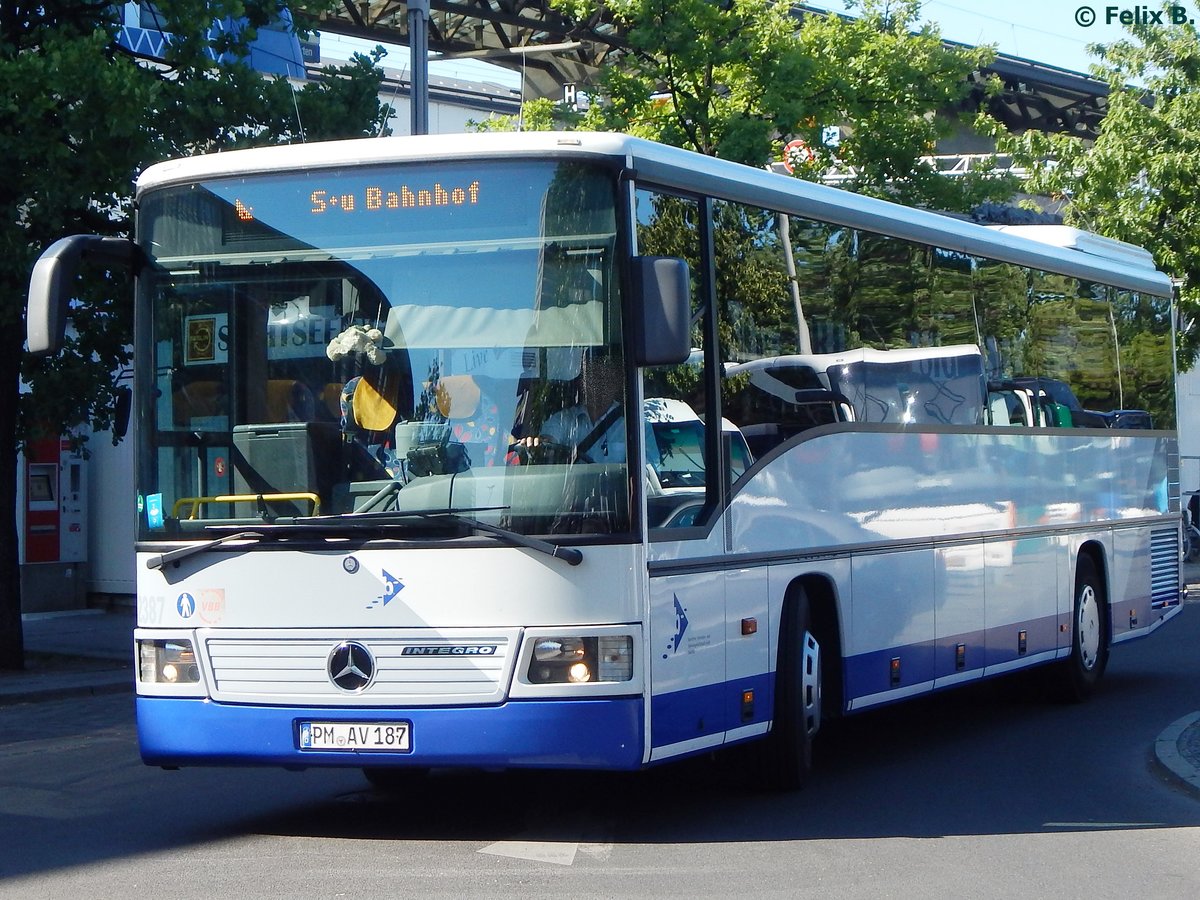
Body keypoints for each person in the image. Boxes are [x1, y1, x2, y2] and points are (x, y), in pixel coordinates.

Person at [519, 353, 627, 462]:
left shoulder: (629, 423)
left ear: (616, 384)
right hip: (570, 479)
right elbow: (548, 441)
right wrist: (538, 445)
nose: (598, 385)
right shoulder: (565, 420)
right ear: (583, 383)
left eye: (604, 378)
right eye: (592, 377)